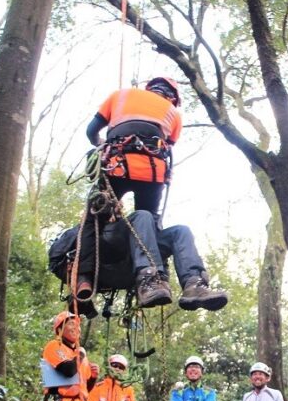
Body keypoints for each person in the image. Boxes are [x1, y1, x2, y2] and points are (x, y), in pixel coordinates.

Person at [49, 206, 227, 312]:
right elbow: (57, 258)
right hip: (107, 268)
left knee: (181, 231)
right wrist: (82, 276)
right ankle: (149, 280)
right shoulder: (89, 231)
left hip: (132, 266)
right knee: (143, 215)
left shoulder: (138, 231)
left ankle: (193, 284)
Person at [86, 77, 182, 213]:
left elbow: (91, 131)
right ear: (172, 98)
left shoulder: (120, 95)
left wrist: (99, 144)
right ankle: (147, 229)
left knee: (97, 217)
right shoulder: (175, 114)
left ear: (149, 88)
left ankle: (91, 231)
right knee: (148, 219)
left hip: (115, 166)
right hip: (153, 173)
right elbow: (166, 149)